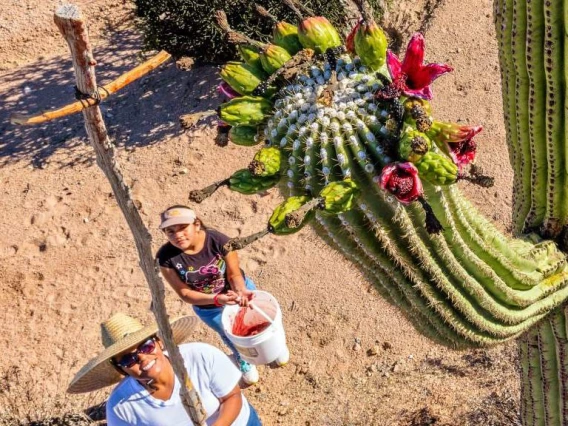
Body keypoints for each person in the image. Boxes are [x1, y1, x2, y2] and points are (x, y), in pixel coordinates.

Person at [67, 312, 262, 426]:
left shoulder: (200, 356)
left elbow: (232, 397)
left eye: (146, 347)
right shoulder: (121, 408)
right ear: (121, 369)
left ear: (159, 342)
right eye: (128, 359)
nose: (142, 358)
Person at [156, 205, 265, 385]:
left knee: (256, 321)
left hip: (238, 291)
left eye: (183, 227)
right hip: (209, 308)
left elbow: (234, 273)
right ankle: (243, 358)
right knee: (229, 334)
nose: (177, 235)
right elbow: (185, 293)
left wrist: (240, 290)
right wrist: (215, 299)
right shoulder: (166, 258)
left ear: (196, 224)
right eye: (170, 231)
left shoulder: (218, 240)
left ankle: (267, 348)